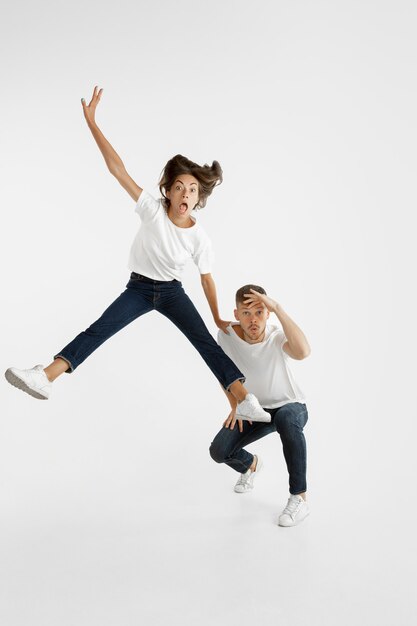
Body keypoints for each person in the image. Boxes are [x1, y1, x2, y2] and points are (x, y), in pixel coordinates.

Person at [5, 86, 270, 423]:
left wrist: (217, 316)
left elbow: (206, 278)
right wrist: (92, 124)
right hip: (139, 290)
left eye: (192, 189)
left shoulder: (199, 237)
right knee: (98, 331)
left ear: (198, 196)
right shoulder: (152, 210)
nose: (185, 194)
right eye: (178, 188)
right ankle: (45, 377)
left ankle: (244, 399)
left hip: (173, 293)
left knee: (205, 343)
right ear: (168, 192)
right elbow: (118, 170)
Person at [209, 284, 311, 526]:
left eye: (259, 312)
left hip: (290, 405)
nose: (253, 320)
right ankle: (251, 465)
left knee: (286, 418)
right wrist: (236, 405)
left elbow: (303, 352)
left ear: (267, 314)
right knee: (219, 451)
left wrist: (278, 308)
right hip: (255, 410)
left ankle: (300, 497)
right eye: (246, 313)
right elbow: (224, 376)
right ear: (236, 315)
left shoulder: (277, 335)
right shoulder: (226, 337)